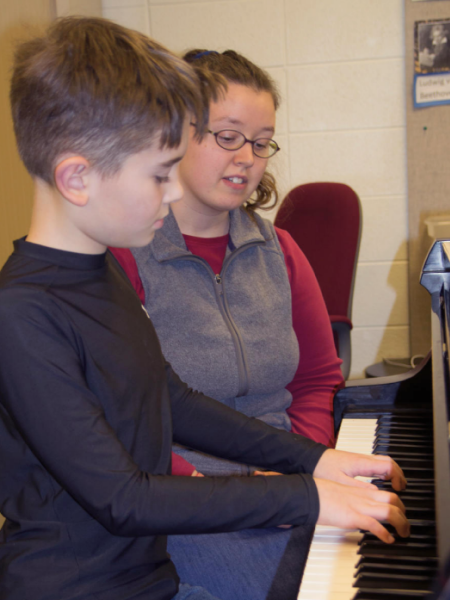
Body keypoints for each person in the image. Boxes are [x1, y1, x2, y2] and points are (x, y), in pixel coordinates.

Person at [0, 19, 409, 600]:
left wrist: (315, 460)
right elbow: (124, 497)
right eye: (159, 175)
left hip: (146, 574)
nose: (174, 192)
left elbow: (170, 399)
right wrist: (304, 496)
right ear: (77, 178)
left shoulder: (99, 271)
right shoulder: (19, 312)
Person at [109, 49, 351, 598]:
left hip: (288, 474)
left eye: (261, 141)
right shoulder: (124, 256)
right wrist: (245, 494)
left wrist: (303, 470)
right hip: (183, 495)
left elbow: (315, 380)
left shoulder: (280, 250)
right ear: (176, 134)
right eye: (227, 135)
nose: (247, 156)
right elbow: (120, 420)